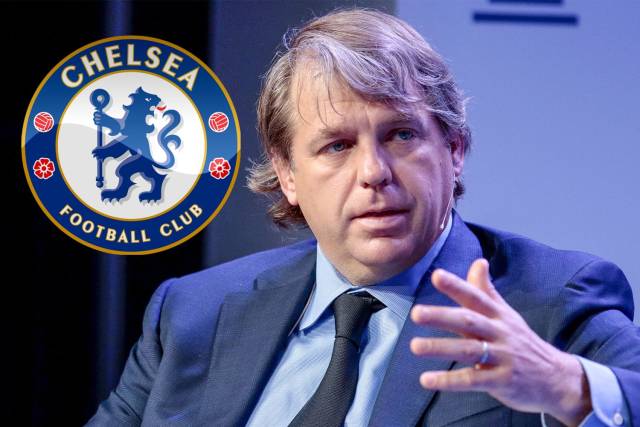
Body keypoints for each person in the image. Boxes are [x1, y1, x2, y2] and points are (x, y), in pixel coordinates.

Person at [86, 8, 640, 427]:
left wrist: (567, 386)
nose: (374, 172)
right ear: (287, 174)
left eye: (401, 135)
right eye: (337, 146)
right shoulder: (193, 312)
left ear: (454, 149)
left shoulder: (550, 300)